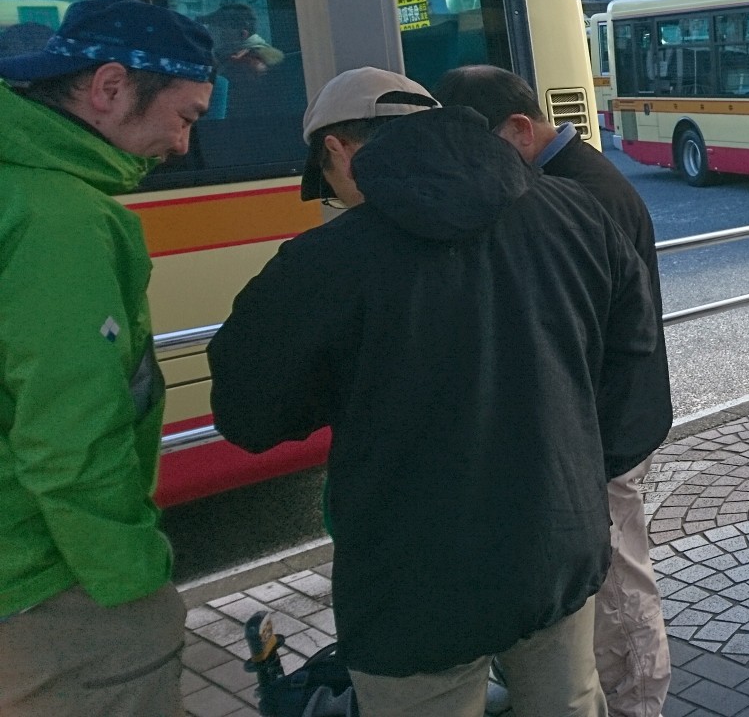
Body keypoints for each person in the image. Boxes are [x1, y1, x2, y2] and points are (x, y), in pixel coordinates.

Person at [210, 67, 657, 716]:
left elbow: (247, 414)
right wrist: (577, 466)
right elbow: (632, 358)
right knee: (569, 702)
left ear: (337, 149)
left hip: (413, 579)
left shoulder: (325, 260)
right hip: (558, 543)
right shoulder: (576, 211)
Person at [0, 0, 216, 717]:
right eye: (185, 116)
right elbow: (70, 437)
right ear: (111, 87)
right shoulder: (60, 218)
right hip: (49, 582)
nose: (182, 144)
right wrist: (133, 581)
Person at [434, 66, 672, 717]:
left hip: (608, 428)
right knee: (609, 577)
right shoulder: (572, 178)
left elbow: (603, 334)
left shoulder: (580, 192)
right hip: (601, 422)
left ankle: (638, 702)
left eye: (476, 147)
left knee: (617, 582)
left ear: (519, 129)